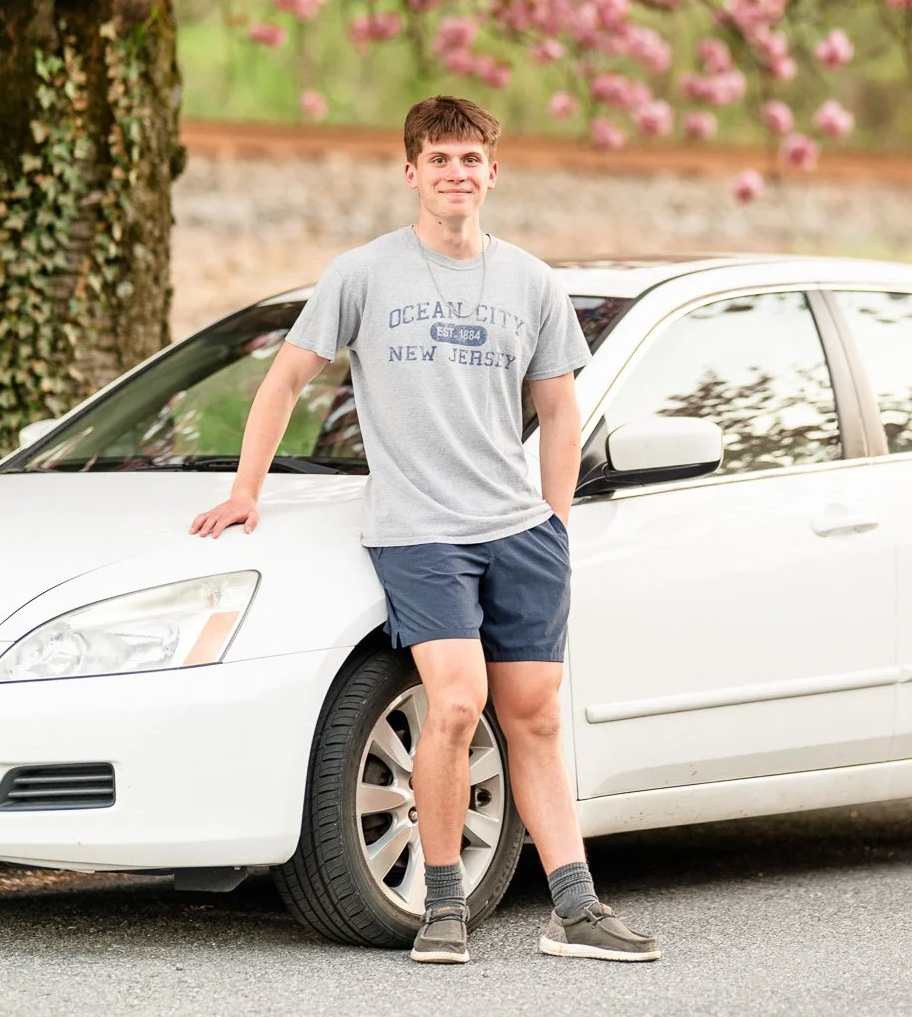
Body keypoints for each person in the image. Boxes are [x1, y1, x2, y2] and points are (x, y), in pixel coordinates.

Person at [190, 95, 660, 965]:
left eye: (470, 160)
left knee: (537, 719)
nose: (455, 174)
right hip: (419, 531)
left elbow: (560, 409)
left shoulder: (529, 280)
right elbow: (286, 378)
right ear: (412, 172)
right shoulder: (364, 274)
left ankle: (575, 908)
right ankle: (444, 905)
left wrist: (554, 518)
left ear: (492, 172)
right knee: (453, 704)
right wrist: (247, 488)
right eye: (439, 159)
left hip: (518, 531)